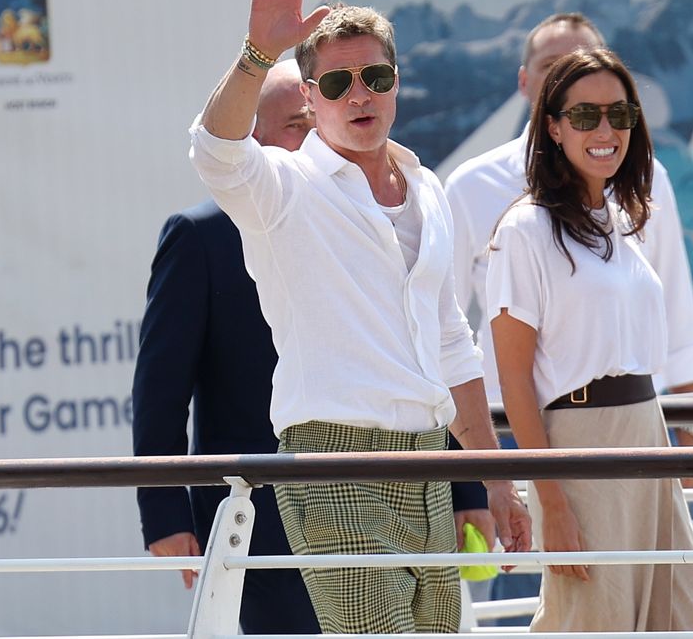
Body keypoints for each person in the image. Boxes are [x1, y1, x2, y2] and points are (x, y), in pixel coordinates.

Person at [187, 0, 529, 634]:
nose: (359, 94)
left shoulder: (428, 190)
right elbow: (214, 151)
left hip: (430, 461)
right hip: (333, 459)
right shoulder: (284, 188)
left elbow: (452, 347)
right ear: (309, 100)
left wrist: (494, 476)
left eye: (375, 75)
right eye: (337, 83)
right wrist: (258, 52)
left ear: (398, 82)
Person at [134, 60, 493, 633]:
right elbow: (161, 388)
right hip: (258, 509)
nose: (316, 137)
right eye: (298, 124)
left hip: (407, 493)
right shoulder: (199, 236)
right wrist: (164, 513)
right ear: (253, 139)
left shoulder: (391, 209)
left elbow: (436, 350)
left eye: (316, 123)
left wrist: (472, 485)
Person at [488, 47, 693, 632]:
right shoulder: (525, 230)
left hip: (648, 437)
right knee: (596, 623)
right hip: (580, 449)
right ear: (554, 127)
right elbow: (514, 380)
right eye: (585, 116)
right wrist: (554, 502)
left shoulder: (620, 220)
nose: (606, 130)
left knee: (687, 621)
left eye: (620, 115)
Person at [444, 14, 693, 450]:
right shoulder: (473, 187)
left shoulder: (644, 178)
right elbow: (445, 328)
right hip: (507, 429)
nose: (572, 79)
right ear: (525, 82)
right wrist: (472, 463)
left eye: (583, 65)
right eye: (554, 65)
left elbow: (675, 304)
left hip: (637, 422)